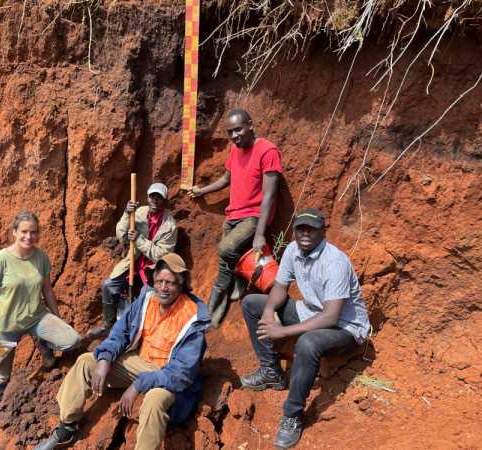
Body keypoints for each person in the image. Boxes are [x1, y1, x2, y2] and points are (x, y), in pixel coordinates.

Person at [35, 253, 210, 450]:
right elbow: (121, 331)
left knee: (154, 400)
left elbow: (181, 374)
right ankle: (68, 426)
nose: (163, 288)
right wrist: (105, 358)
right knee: (87, 361)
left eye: (169, 283)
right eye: (159, 281)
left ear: (181, 284)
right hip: (140, 363)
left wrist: (138, 385)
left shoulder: (193, 317)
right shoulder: (147, 298)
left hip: (168, 377)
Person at [239, 208, 371, 449]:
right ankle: (272, 372)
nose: (305, 233)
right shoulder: (292, 249)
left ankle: (292, 414)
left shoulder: (334, 262)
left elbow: (331, 317)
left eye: (312, 228)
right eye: (301, 228)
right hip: (310, 311)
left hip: (347, 328)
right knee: (252, 303)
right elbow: (280, 287)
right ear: (295, 231)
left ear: (323, 231)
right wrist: (269, 313)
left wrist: (282, 332)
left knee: (308, 342)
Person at [0, 210, 82, 427]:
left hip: (36, 317)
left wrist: (57, 317)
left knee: (71, 339)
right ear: (14, 232)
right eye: (24, 232)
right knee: (1, 374)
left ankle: (44, 346)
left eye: (33, 232)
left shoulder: (41, 257)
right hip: (6, 326)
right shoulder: (0, 261)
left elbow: (47, 290)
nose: (29, 237)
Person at [188, 108, 282, 327]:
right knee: (223, 268)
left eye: (238, 129)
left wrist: (260, 234)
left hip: (253, 217)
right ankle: (212, 317)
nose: (234, 136)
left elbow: (269, 195)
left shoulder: (267, 150)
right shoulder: (235, 150)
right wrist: (203, 191)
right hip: (232, 215)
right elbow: (226, 178)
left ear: (250, 124)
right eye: (230, 132)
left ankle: (242, 276)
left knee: (225, 249)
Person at [88, 182, 177, 339]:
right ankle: (108, 325)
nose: (155, 200)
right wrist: (126, 214)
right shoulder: (140, 212)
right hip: (132, 261)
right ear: (148, 197)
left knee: (147, 296)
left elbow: (161, 255)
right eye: (152, 196)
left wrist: (139, 239)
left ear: (164, 200)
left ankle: (135, 334)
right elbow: (121, 236)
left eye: (159, 197)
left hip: (153, 269)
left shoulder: (170, 225)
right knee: (108, 286)